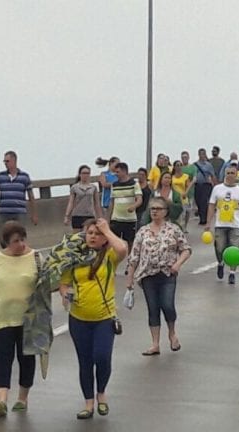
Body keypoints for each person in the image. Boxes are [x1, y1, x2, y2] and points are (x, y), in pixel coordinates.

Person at [59, 218, 128, 420]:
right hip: (78, 318)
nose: (93, 236)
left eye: (97, 234)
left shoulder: (109, 257)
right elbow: (63, 283)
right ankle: (88, 403)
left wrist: (107, 230)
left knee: (102, 357)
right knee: (85, 361)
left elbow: (123, 249)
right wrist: (65, 294)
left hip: (104, 318)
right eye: (90, 233)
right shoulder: (74, 258)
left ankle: (101, 393)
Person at [0, 222, 38, 416]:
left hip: (28, 319)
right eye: (15, 241)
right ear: (6, 243)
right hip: (2, 318)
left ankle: (22, 398)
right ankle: (1, 399)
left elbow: (45, 285)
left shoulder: (35, 257)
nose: (20, 244)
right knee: (4, 357)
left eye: (22, 240)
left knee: (26, 359)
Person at [127, 197, 192, 356]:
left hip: (167, 273)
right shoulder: (143, 231)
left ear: (165, 212)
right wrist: (130, 280)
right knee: (153, 308)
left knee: (167, 305)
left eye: (158, 208)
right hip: (147, 275)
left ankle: (172, 333)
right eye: (152, 209)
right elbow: (134, 257)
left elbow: (186, 249)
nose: (154, 211)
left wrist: (178, 264)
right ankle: (155, 344)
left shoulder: (173, 229)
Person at [205, 165, 239, 285]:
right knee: (219, 248)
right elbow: (211, 205)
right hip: (220, 224)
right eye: (228, 173)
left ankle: (232, 273)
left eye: (232, 173)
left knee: (234, 249)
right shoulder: (217, 189)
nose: (230, 175)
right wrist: (208, 222)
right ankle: (220, 263)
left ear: (236, 175)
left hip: (235, 224)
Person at [0, 151, 38, 230]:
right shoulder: (1, 176)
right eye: (4, 161)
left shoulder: (24, 176)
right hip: (4, 212)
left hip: (19, 212)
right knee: (4, 236)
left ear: (14, 161)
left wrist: (34, 214)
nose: (5, 163)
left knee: (19, 234)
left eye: (7, 161)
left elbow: (31, 196)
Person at [108, 162, 142, 251]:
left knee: (130, 241)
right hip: (116, 218)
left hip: (129, 219)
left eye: (118, 172)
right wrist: (108, 218)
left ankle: (130, 261)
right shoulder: (114, 185)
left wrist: (134, 206)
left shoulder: (134, 184)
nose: (116, 174)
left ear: (124, 171)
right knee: (114, 241)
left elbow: (139, 199)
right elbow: (112, 202)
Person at [65, 165, 102, 233]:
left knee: (88, 235)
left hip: (89, 215)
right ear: (80, 174)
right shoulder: (74, 187)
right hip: (77, 215)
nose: (85, 175)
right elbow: (71, 202)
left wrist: (99, 217)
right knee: (77, 237)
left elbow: (97, 203)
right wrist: (67, 216)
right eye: (83, 173)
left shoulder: (93, 187)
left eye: (87, 173)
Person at [193, 149, 217, 225]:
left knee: (204, 201)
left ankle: (204, 219)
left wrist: (215, 186)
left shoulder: (208, 165)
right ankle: (201, 216)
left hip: (206, 185)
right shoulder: (195, 165)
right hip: (197, 185)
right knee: (198, 201)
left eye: (203, 154)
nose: (202, 155)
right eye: (200, 154)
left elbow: (213, 175)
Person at [169, 162, 193, 229]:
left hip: (183, 196)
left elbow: (188, 186)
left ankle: (185, 226)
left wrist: (186, 193)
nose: (179, 167)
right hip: (175, 197)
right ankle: (178, 227)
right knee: (178, 213)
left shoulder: (185, 176)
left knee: (187, 212)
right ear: (174, 167)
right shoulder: (171, 177)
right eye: (177, 165)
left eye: (180, 165)